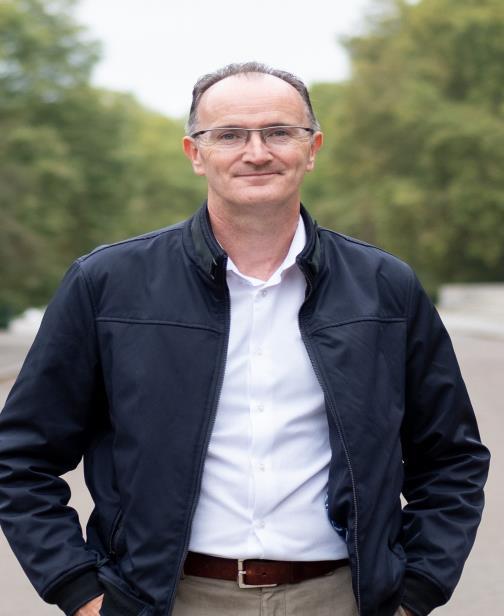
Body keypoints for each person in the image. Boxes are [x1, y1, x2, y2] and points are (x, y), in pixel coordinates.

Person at [0, 62, 489, 616]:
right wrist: (79, 593)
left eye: (279, 132)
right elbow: (20, 457)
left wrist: (416, 593)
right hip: (166, 600)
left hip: (341, 598)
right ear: (195, 153)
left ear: (312, 148)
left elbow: (451, 458)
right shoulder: (107, 284)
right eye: (230, 135)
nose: (257, 152)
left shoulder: (385, 287)